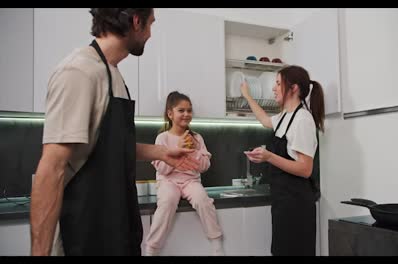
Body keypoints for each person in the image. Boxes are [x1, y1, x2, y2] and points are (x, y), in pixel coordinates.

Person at [30, 8, 200, 256]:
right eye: (150, 25)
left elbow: (107, 146)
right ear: (136, 21)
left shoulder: (113, 74)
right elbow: (51, 169)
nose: (150, 34)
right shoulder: (79, 72)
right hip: (84, 231)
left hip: (116, 225)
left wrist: (162, 152)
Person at [240, 65, 324, 256]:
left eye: (278, 83)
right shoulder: (286, 116)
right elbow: (265, 121)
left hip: (297, 204)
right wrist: (247, 96)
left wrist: (269, 156)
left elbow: (305, 169)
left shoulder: (302, 119)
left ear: (293, 88)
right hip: (283, 201)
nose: (273, 88)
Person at [145, 91, 224, 256]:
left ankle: (216, 243)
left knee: (203, 200)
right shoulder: (162, 138)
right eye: (181, 110)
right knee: (167, 202)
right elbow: (162, 169)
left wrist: (194, 151)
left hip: (191, 181)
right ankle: (152, 248)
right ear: (170, 114)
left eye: (189, 110)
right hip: (168, 181)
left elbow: (204, 166)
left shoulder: (197, 138)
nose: (186, 114)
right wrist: (176, 151)